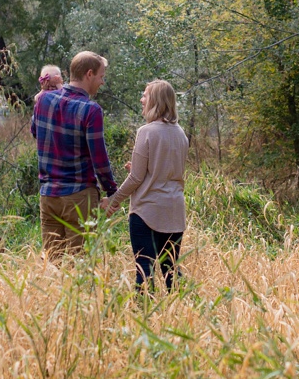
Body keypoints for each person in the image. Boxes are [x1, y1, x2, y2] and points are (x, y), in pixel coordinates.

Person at [101, 79, 187, 291]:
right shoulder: (181, 133)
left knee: (144, 270)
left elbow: (137, 179)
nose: (142, 99)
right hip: (174, 210)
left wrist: (113, 200)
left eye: (145, 95)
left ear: (155, 101)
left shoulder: (146, 132)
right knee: (171, 270)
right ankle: (183, 314)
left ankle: (143, 315)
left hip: (147, 212)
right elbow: (165, 171)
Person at [31, 51, 116, 257]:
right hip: (78, 196)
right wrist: (112, 191)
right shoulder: (91, 110)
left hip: (48, 196)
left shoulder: (42, 101)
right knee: (81, 265)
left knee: (54, 264)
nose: (102, 82)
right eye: (101, 76)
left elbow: (36, 132)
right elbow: (99, 157)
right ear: (89, 74)